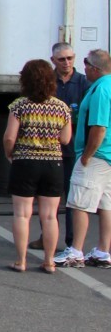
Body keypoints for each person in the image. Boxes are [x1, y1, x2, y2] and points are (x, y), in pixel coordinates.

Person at [3, 59, 72, 273]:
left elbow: (9, 137)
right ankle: (49, 261)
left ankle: (21, 261)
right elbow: (66, 139)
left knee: (22, 214)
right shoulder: (62, 108)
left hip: (25, 162)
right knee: (50, 216)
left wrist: (9, 154)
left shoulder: (19, 106)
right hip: (53, 164)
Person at [30, 41, 89, 251]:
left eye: (70, 58)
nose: (66, 63)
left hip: (73, 149)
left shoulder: (83, 82)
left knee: (72, 198)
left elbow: (88, 115)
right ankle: (46, 237)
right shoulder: (46, 81)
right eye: (62, 59)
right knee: (46, 197)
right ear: (53, 60)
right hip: (47, 148)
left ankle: (72, 242)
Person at [54, 49, 111, 268]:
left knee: (78, 203)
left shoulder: (100, 90)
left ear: (95, 68)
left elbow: (99, 126)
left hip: (96, 155)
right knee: (106, 205)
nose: (83, 68)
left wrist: (86, 155)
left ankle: (75, 250)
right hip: (108, 156)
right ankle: (103, 251)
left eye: (86, 64)